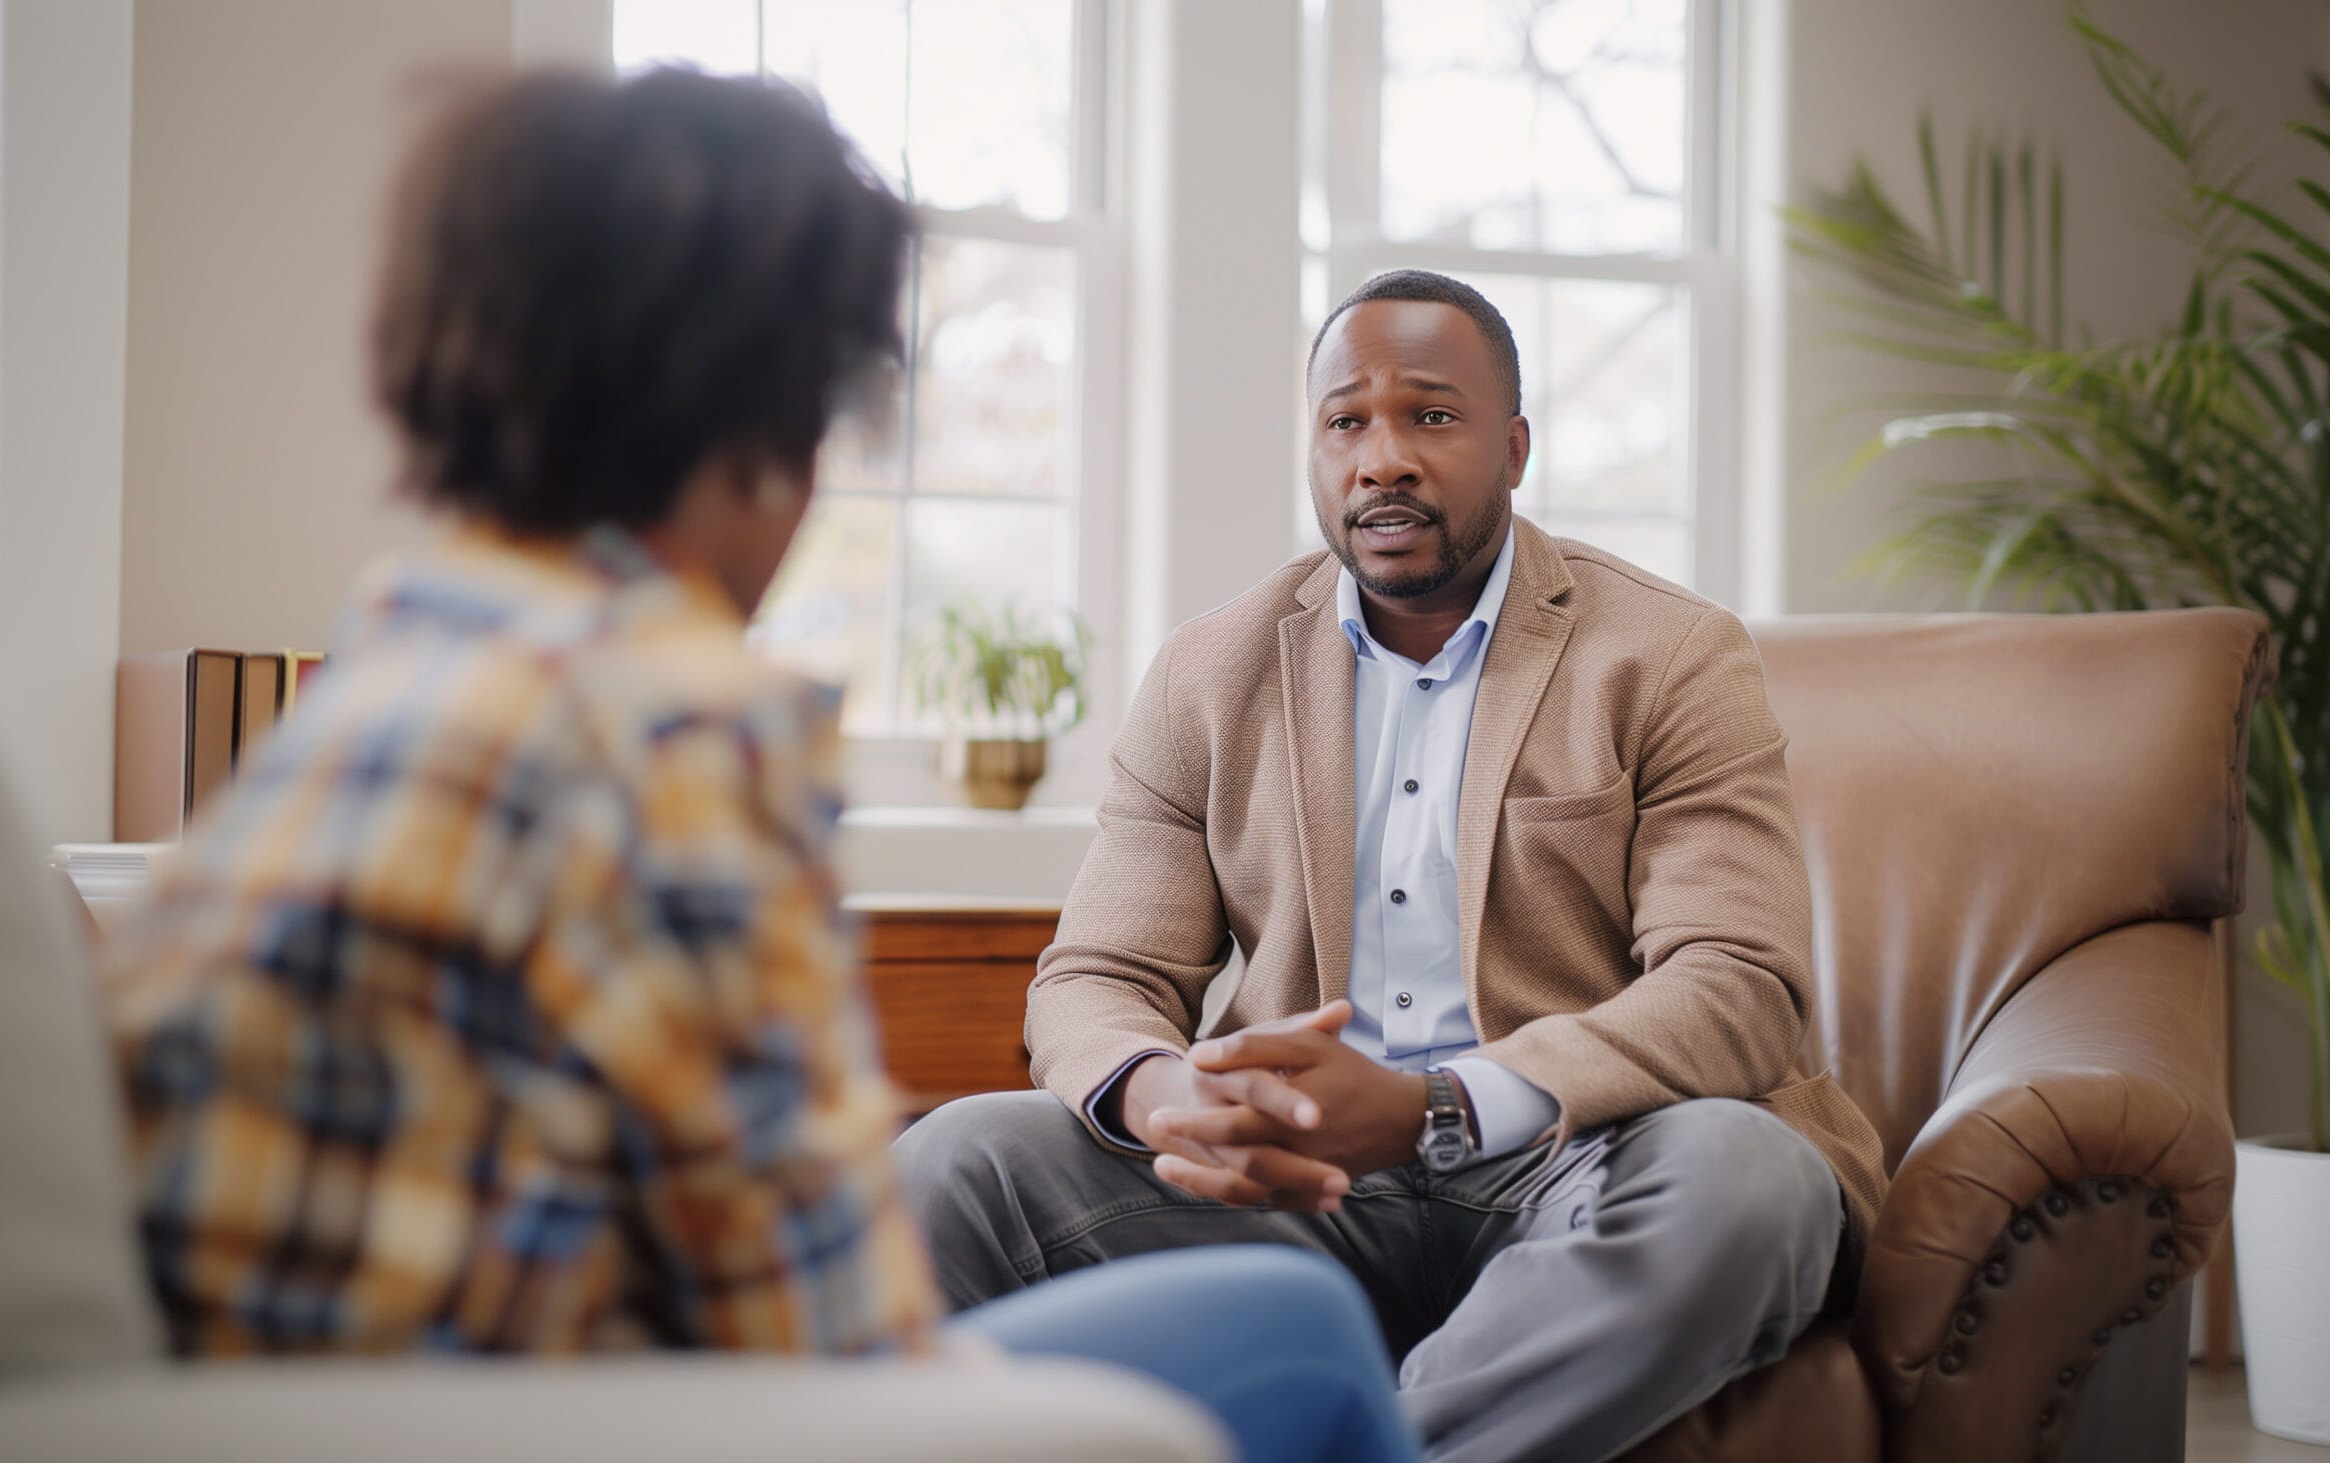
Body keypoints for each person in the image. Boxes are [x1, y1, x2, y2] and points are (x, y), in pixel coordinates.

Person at [101, 68, 1413, 1463]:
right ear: (778, 412)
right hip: (545, 1420)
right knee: (1297, 1322)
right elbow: (814, 1322)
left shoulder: (388, 668)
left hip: (303, 1405)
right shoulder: (670, 721)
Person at [895, 269, 1893, 1463]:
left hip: (1580, 1155)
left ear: (1512, 447)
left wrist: (1438, 1107)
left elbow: (1736, 982)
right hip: (1303, 1194)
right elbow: (1093, 975)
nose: (1381, 460)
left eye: (1430, 415)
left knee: (1747, 1179)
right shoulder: (1208, 674)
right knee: (954, 1162)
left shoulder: (1671, 655)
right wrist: (1167, 1092)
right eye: (1344, 422)